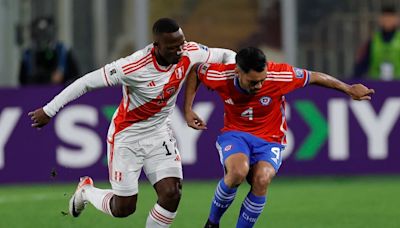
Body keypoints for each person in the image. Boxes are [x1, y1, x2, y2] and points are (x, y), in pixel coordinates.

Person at [28, 18, 235, 227]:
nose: (179, 51)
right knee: (124, 208)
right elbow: (86, 83)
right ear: (157, 47)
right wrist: (49, 110)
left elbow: (226, 55)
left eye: (181, 44)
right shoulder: (133, 66)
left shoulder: (189, 52)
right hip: (127, 137)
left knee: (172, 193)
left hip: (159, 132)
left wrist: (237, 72)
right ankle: (86, 191)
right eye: (172, 48)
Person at [184, 47, 375, 228]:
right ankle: (212, 223)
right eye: (253, 82)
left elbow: (315, 77)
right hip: (236, 133)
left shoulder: (279, 75)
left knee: (262, 179)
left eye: (262, 80)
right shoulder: (220, 75)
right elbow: (196, 70)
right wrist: (188, 109)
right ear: (237, 72)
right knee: (237, 173)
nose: (259, 85)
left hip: (270, 138)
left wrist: (348, 89)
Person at [19, 16, 79, 85]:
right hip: (35, 92)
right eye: (39, 34)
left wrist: (62, 76)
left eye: (46, 33)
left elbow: (75, 77)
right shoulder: (28, 54)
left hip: (61, 90)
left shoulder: (64, 51)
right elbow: (23, 81)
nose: (42, 37)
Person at [354, 5, 400, 80]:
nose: (387, 21)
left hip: (397, 84)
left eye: (390, 18)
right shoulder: (373, 40)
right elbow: (362, 63)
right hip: (377, 84)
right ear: (380, 20)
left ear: (396, 20)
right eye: (385, 18)